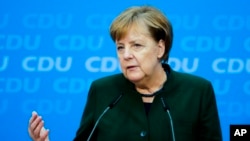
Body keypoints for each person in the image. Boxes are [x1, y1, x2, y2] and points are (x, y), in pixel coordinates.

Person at [28, 5, 222, 141]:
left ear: (160, 48)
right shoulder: (102, 90)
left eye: (136, 45)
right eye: (120, 47)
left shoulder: (197, 91)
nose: (126, 55)